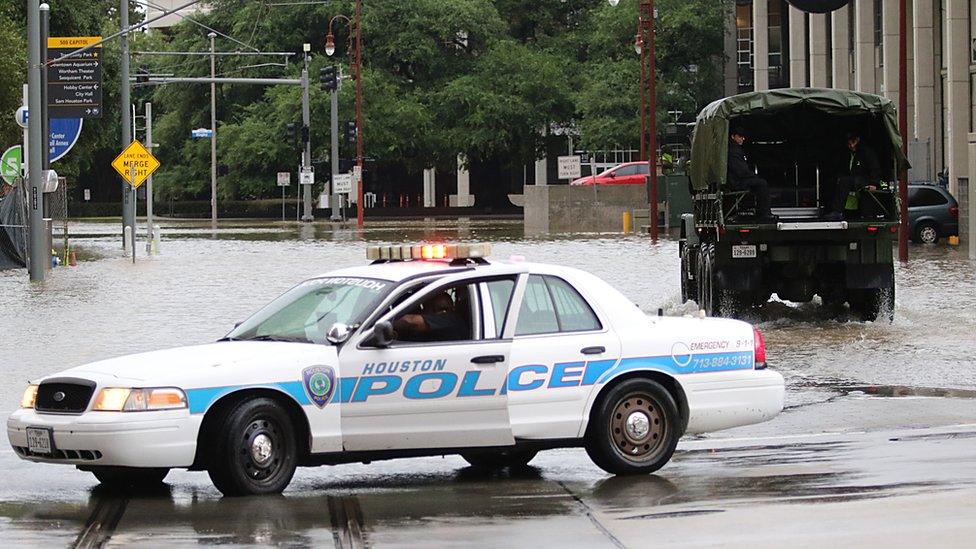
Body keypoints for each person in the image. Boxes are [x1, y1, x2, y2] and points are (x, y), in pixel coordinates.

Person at [825, 132, 881, 221]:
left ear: (858, 140)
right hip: (853, 179)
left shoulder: (866, 152)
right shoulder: (848, 153)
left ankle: (838, 211)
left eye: (852, 143)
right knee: (836, 181)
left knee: (845, 181)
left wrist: (874, 183)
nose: (850, 146)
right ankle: (831, 208)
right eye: (849, 144)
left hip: (865, 180)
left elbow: (874, 167)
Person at [727, 126, 776, 221]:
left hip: (736, 180)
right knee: (762, 184)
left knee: (759, 183)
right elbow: (741, 170)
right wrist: (753, 176)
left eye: (743, 136)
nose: (743, 138)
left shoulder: (734, 149)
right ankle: (764, 213)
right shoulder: (733, 151)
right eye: (740, 136)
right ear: (733, 136)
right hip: (735, 182)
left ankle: (758, 210)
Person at [393, 291, 469, 342]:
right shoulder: (430, 322)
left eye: (445, 309)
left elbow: (410, 322)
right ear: (425, 308)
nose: (443, 313)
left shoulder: (451, 320)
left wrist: (385, 322)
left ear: (452, 307)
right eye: (434, 309)